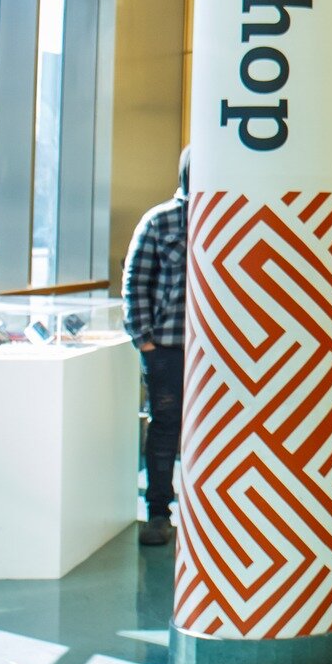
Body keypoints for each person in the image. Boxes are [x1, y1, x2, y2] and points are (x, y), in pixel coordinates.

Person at [124, 146, 190, 547]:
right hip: (166, 348)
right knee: (165, 429)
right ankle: (158, 513)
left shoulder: (225, 218)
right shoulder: (159, 219)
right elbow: (135, 283)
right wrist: (144, 340)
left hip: (216, 352)